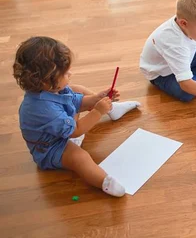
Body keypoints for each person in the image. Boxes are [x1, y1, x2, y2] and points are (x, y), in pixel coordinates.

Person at [13, 37, 140, 197]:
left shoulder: (50, 90)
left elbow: (76, 102)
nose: (70, 74)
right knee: (80, 158)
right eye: (65, 73)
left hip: (62, 126)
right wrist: (98, 111)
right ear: (46, 81)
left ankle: (111, 110)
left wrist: (97, 99)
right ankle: (104, 182)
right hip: (51, 148)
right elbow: (76, 131)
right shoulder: (42, 109)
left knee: (76, 90)